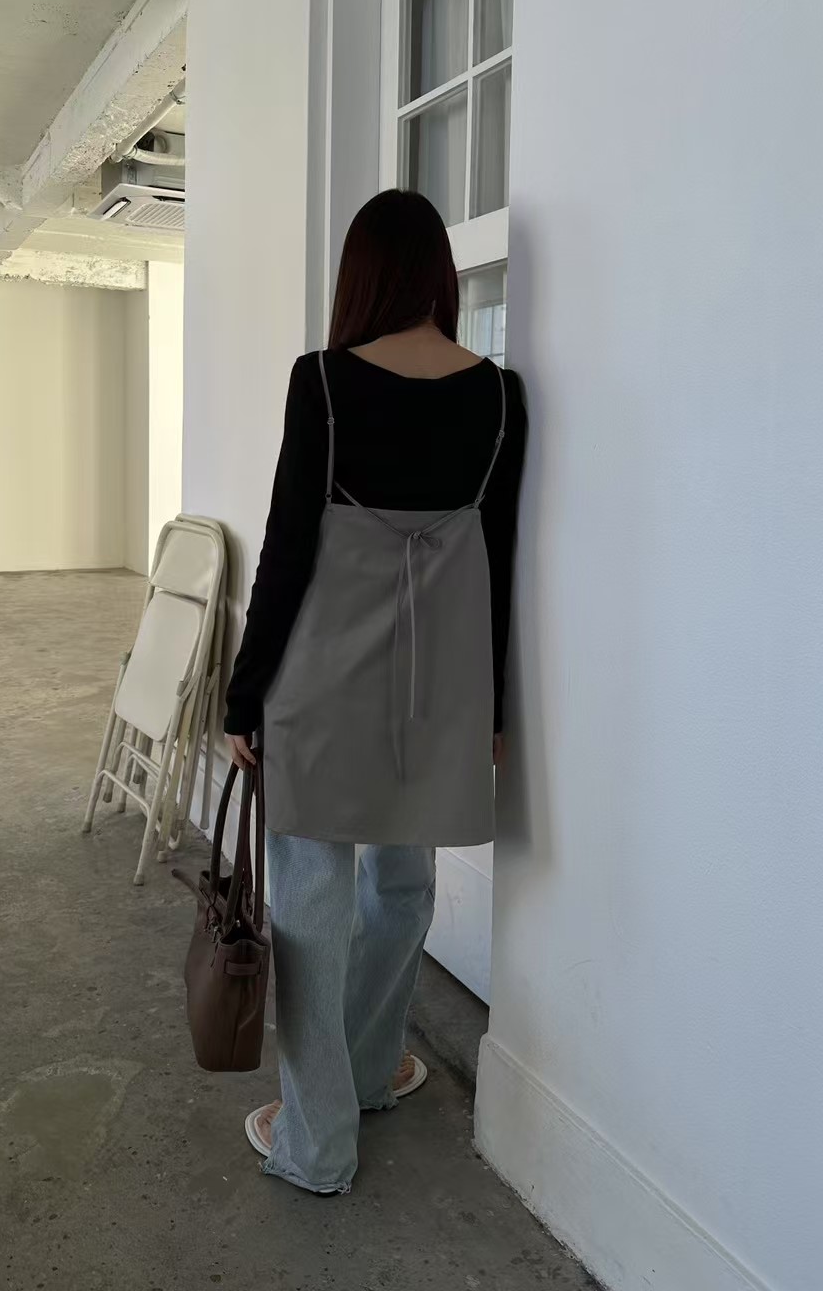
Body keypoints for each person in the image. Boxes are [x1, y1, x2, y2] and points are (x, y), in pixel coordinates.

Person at [223, 188, 527, 1195]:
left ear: (360, 277)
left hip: (321, 688)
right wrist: (493, 711)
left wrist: (243, 697)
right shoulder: (500, 398)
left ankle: (317, 1141)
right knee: (403, 889)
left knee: (311, 907)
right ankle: (366, 1072)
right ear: (439, 275)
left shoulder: (322, 383)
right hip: (436, 699)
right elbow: (500, 565)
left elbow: (288, 553)